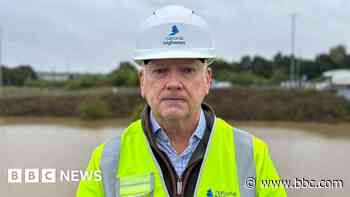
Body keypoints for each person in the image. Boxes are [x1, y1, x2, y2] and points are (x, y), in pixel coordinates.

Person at [77, 5, 287, 197]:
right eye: (160, 71)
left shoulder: (252, 155)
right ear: (142, 81)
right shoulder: (106, 160)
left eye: (187, 70)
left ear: (208, 80)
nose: (173, 83)